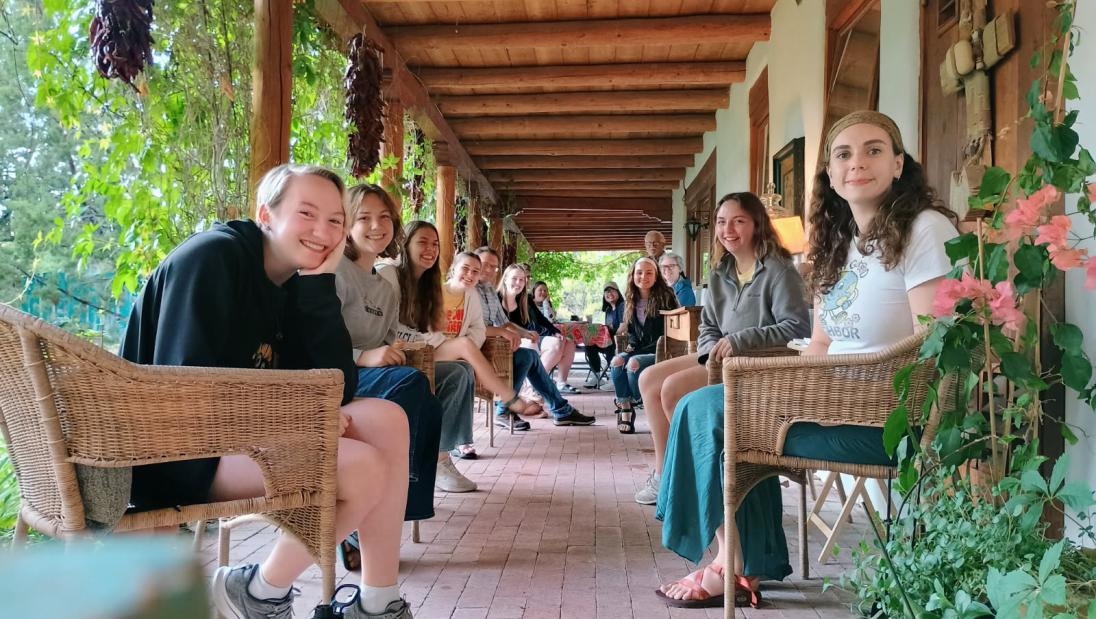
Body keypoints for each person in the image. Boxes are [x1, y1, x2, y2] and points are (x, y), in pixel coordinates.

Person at [654, 111, 958, 609]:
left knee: (711, 412)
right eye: (843, 154)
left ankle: (727, 565)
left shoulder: (925, 230)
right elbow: (816, 345)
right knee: (710, 406)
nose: (857, 162)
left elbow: (933, 342)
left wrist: (819, 387)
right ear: (832, 176)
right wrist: (783, 386)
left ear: (899, 163)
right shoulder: (845, 248)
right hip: (826, 404)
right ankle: (736, 562)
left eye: (874, 150)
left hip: (880, 419)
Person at [120, 164, 413, 618]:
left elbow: (336, 386)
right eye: (307, 214)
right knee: (364, 469)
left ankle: (379, 603)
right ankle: (259, 591)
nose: (322, 231)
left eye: (335, 220)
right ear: (266, 214)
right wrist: (294, 422)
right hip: (170, 452)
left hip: (231, 438)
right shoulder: (212, 258)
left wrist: (318, 285)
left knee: (389, 419)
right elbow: (185, 391)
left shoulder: (295, 281)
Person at [634, 192, 810, 509]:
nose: (728, 229)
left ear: (757, 224)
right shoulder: (720, 272)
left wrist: (741, 341)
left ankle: (697, 471)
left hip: (758, 366)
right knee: (648, 378)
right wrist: (708, 355)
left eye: (738, 221)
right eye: (721, 222)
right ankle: (665, 474)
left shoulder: (780, 270)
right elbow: (709, 326)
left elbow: (796, 329)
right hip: (723, 358)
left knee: (672, 389)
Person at [335, 184, 474, 508]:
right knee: (411, 383)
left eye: (384, 217)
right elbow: (313, 338)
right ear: (345, 223)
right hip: (338, 373)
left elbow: (387, 338)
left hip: (374, 373)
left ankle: (406, 501)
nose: (376, 226)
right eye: (364, 217)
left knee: (431, 397)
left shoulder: (383, 288)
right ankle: (392, 489)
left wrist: (389, 350)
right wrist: (361, 356)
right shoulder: (334, 271)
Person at [378, 223, 529, 426]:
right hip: (400, 351)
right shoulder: (390, 274)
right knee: (463, 356)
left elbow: (478, 328)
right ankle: (507, 396)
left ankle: (446, 450)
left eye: (435, 244)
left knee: (463, 365)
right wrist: (440, 340)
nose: (430, 249)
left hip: (428, 349)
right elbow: (391, 328)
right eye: (422, 242)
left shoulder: (428, 285)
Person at [473, 247, 595, 427]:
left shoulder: (489, 292)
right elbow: (476, 328)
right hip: (478, 352)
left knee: (530, 355)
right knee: (527, 356)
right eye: (485, 265)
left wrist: (524, 333)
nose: (489, 270)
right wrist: (504, 332)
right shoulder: (470, 290)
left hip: (496, 347)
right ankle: (506, 410)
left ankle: (559, 410)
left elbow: (504, 322)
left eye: (494, 266)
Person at [610, 256, 679, 434]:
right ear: (633, 275)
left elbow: (676, 327)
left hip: (661, 349)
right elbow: (633, 333)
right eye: (639, 272)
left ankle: (637, 399)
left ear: (656, 276)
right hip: (637, 349)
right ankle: (625, 408)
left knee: (633, 364)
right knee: (616, 362)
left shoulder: (666, 296)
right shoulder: (629, 299)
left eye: (649, 273)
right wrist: (629, 345)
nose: (644, 276)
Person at [498, 264, 580, 395]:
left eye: (522, 279)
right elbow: (504, 324)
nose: (518, 282)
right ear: (505, 278)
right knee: (556, 344)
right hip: (511, 339)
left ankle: (560, 383)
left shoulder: (525, 299)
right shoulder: (496, 298)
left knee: (568, 342)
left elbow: (542, 319)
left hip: (529, 337)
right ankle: (532, 386)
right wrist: (525, 333)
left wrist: (555, 332)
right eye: (514, 278)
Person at [582, 281, 624, 388]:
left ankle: (615, 378)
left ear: (618, 292)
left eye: (612, 290)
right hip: (609, 341)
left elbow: (624, 327)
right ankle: (597, 376)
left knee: (608, 343)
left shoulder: (622, 306)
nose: (609, 294)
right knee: (589, 343)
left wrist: (611, 336)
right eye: (606, 292)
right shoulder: (608, 310)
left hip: (621, 341)